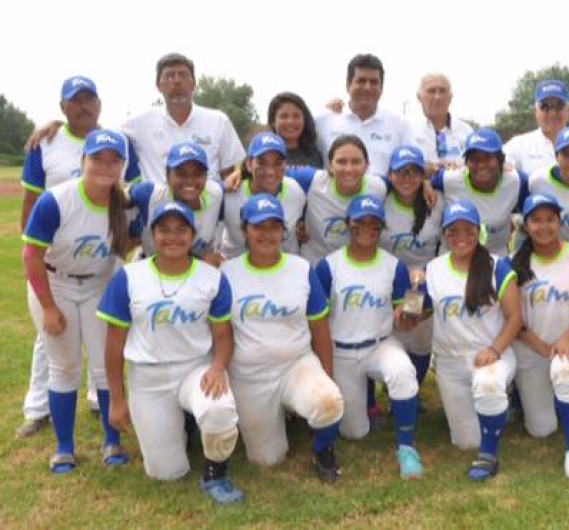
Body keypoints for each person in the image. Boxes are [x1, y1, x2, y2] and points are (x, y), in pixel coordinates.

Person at [17, 76, 140, 438]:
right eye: (75, 100)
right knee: (53, 344)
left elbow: (135, 195)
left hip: (99, 256)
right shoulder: (46, 142)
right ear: (63, 107)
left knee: (99, 346)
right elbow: (31, 199)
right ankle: (38, 409)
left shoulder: (119, 142)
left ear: (99, 105)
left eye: (89, 99)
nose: (83, 106)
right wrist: (33, 249)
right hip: (57, 254)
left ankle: (99, 404)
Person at [98, 201, 244, 503]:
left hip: (196, 368)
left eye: (181, 230)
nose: (173, 237)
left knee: (219, 408)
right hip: (148, 377)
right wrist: (117, 399)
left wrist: (218, 368)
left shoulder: (212, 277)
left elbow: (223, 336)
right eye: (164, 230)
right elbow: (113, 344)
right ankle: (184, 429)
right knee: (166, 472)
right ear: (152, 235)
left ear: (192, 236)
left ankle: (216, 474)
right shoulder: (129, 277)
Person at [221, 194, 344, 482]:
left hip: (295, 364)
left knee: (328, 401)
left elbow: (319, 327)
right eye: (258, 227)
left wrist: (326, 373)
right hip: (249, 374)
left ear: (283, 231)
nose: (266, 234)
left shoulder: (301, 268)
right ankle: (282, 417)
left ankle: (322, 448)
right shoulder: (227, 273)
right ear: (245, 230)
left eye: (274, 227)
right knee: (267, 459)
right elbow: (220, 332)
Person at [314, 195, 424, 480]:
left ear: (381, 228)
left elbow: (406, 324)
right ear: (347, 224)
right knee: (355, 432)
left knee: (402, 370)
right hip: (341, 351)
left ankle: (406, 448)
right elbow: (317, 320)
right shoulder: (328, 266)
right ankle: (364, 409)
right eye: (359, 223)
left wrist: (409, 309)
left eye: (373, 224)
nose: (366, 228)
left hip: (380, 344)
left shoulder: (393, 266)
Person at [28, 54, 245, 184]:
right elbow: (98, 130)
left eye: (183, 75)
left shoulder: (218, 121)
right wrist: (58, 125)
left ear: (194, 83)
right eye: (169, 76)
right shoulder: (140, 122)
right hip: (158, 229)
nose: (176, 81)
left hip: (208, 228)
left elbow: (229, 174)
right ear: (158, 85)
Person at [425, 200, 522, 481]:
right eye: (453, 231)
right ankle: (494, 411)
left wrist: (495, 349)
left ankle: (489, 454)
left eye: (469, 230)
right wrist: (408, 311)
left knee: (487, 384)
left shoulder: (497, 267)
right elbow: (426, 311)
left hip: (490, 353)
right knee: (466, 441)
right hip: (450, 360)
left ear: (479, 232)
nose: (461, 237)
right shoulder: (433, 268)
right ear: (444, 234)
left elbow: (515, 318)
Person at [510, 193, 569, 479]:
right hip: (531, 350)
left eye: (550, 219)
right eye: (536, 220)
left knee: (564, 370)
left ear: (559, 222)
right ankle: (550, 400)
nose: (544, 226)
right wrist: (541, 346)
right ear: (526, 226)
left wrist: (565, 339)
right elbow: (511, 319)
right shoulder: (514, 263)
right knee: (542, 429)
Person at [377, 145, 445, 409]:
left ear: (422, 175)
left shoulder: (436, 201)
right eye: (400, 172)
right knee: (390, 335)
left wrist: (426, 274)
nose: (407, 178)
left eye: (414, 172)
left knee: (418, 336)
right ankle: (388, 389)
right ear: (390, 175)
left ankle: (411, 392)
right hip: (387, 277)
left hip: (421, 279)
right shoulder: (381, 198)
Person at [315, 53, 413, 178]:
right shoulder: (323, 121)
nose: (367, 87)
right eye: (361, 81)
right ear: (348, 85)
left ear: (382, 87)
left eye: (374, 82)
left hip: (382, 190)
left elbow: (409, 168)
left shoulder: (400, 125)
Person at [431, 129, 525, 257]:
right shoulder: (448, 180)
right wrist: (425, 183)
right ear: (466, 162)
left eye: (488, 158)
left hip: (496, 258)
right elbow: (418, 177)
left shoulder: (516, 181)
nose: (481, 165)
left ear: (500, 159)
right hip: (452, 259)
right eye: (474, 159)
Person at [128, 142, 225, 266]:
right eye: (181, 174)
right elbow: (118, 195)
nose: (190, 180)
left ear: (206, 176)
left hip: (199, 272)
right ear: (168, 176)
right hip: (151, 270)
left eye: (197, 174)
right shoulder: (148, 195)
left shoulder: (217, 193)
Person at [298, 135, 388, 265]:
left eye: (356, 162)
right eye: (341, 162)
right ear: (330, 165)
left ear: (367, 165)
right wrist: (297, 220)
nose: (348, 169)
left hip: (357, 268)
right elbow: (273, 177)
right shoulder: (312, 181)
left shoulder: (379, 187)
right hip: (315, 265)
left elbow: (407, 184)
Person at [221, 132, 306, 258]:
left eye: (277, 163)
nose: (270, 172)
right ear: (249, 164)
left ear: (285, 165)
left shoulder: (296, 191)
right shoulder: (230, 193)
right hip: (234, 265)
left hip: (286, 265)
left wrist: (305, 224)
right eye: (261, 163)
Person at [504, 79, 569, 178]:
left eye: (559, 106)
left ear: (568, 110)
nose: (552, 113)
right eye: (545, 107)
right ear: (536, 112)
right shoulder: (518, 146)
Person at [410, 73, 473, 169]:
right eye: (431, 91)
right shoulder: (409, 131)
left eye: (442, 91)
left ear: (450, 97)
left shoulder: (466, 132)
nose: (437, 97)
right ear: (419, 97)